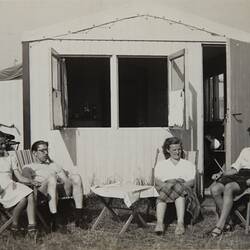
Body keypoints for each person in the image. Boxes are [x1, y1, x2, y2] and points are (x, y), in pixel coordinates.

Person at [23, 140, 85, 230]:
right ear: (35, 153)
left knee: (76, 177)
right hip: (41, 193)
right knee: (51, 177)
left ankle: (79, 218)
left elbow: (66, 181)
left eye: (47, 150)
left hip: (56, 189)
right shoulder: (28, 167)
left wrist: (62, 176)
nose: (46, 153)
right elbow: (26, 182)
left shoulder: (53, 165)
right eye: (42, 151)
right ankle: (55, 221)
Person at [154, 137, 199, 235]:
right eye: (174, 150)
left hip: (182, 187)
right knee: (168, 190)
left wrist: (176, 185)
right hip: (166, 188)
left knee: (178, 189)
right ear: (168, 150)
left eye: (179, 149)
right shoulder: (162, 164)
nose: (177, 152)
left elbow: (191, 182)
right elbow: (157, 181)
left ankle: (177, 223)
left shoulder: (188, 164)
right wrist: (167, 185)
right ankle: (163, 223)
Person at [210, 133, 250, 237]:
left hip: (248, 178)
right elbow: (235, 169)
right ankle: (229, 220)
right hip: (239, 175)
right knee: (215, 189)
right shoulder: (245, 150)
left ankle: (220, 225)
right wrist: (220, 174)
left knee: (229, 187)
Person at [0, 137, 37, 237]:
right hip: (1, 188)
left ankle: (32, 227)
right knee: (23, 200)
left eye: (4, 143)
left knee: (30, 194)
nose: (3, 146)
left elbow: (19, 177)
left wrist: (31, 181)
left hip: (11, 184)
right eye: (0, 144)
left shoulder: (10, 157)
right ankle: (14, 225)